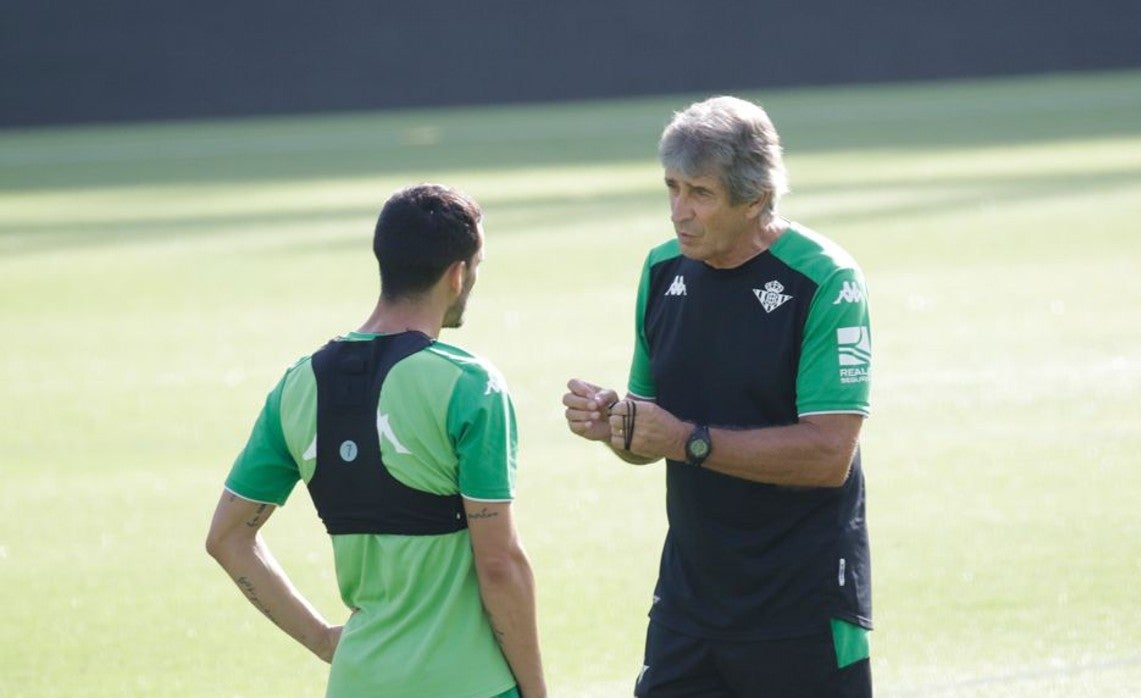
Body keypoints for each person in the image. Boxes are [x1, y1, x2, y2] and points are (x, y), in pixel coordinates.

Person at [563, 96, 874, 697]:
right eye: (672, 188)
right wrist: (620, 427)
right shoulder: (661, 273)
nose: (681, 212)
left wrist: (688, 440)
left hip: (801, 604)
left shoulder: (825, 281)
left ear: (756, 199)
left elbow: (828, 455)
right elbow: (650, 439)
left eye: (700, 193)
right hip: (690, 603)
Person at [206, 184, 546, 698]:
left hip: (357, 683)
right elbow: (499, 566)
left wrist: (323, 639)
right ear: (458, 274)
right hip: (468, 685)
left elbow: (227, 539)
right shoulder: (470, 385)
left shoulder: (298, 385)